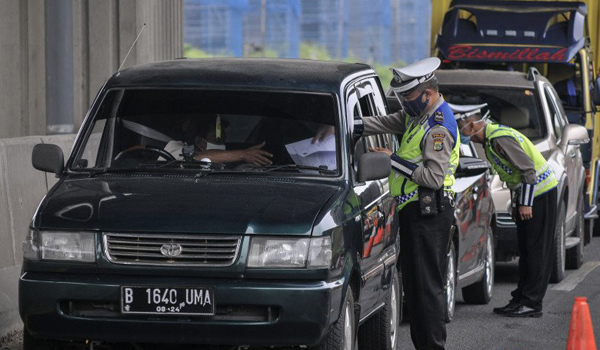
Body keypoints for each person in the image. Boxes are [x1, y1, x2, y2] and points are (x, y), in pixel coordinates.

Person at [359, 57, 460, 350]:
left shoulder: (438, 127)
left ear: (427, 94)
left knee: (427, 290)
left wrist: (393, 160)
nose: (403, 102)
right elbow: (381, 122)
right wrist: (344, 123)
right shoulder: (418, 116)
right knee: (415, 290)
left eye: (408, 97)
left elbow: (433, 177)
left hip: (430, 213)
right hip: (416, 212)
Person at [450, 103, 558, 318]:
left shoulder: (499, 138)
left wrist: (525, 203)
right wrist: (518, 202)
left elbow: (527, 170)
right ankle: (521, 298)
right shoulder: (491, 140)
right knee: (526, 250)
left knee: (536, 250)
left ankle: (532, 303)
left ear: (471, 125)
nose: (459, 132)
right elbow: (513, 176)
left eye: (460, 126)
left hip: (540, 194)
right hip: (529, 194)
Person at [164, 115, 273, 166]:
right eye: (217, 139)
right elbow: (198, 157)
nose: (223, 145)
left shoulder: (223, 164)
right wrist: (243, 154)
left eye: (223, 139)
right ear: (199, 142)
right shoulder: (176, 148)